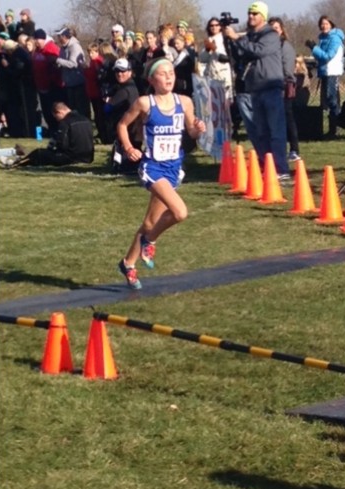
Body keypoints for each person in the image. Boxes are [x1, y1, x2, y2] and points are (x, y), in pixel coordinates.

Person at [116, 58, 206, 289]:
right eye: (163, 73)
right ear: (151, 79)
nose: (168, 77)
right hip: (153, 167)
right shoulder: (145, 103)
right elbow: (122, 125)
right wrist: (128, 148)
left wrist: (198, 129)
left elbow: (191, 132)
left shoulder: (184, 102)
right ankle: (150, 241)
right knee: (180, 212)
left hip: (174, 167)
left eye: (171, 73)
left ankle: (128, 263)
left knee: (150, 221)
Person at [223, 1, 290, 180]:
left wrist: (238, 38)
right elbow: (240, 56)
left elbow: (258, 51)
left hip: (271, 87)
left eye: (255, 14)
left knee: (276, 131)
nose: (251, 16)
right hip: (255, 88)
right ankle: (267, 166)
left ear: (263, 16)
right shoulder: (250, 36)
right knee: (261, 132)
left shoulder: (270, 35)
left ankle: (281, 169)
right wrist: (230, 40)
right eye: (249, 13)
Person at [3, 101, 93, 168]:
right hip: (87, 157)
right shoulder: (85, 119)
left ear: (60, 112)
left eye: (56, 117)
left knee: (39, 153)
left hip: (71, 158)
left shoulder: (65, 123)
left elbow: (62, 144)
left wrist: (53, 149)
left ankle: (16, 164)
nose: (57, 120)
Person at [307, 15, 345, 139]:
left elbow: (327, 56)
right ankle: (332, 129)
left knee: (332, 100)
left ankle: (335, 129)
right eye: (322, 24)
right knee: (327, 101)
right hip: (325, 72)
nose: (324, 26)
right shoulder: (323, 38)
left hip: (331, 72)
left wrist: (314, 48)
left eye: (326, 24)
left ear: (331, 25)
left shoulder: (334, 38)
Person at [268, 16, 300, 160]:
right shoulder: (267, 46)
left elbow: (288, 69)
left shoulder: (285, 46)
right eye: (271, 29)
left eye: (276, 28)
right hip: (269, 86)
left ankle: (294, 149)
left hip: (284, 86)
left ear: (281, 30)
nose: (274, 32)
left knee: (287, 118)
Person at [104, 57, 141, 173]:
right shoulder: (131, 86)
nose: (120, 74)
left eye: (123, 71)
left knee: (126, 162)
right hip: (133, 130)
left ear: (129, 72)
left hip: (128, 130)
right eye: (117, 71)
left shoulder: (125, 90)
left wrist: (107, 101)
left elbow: (107, 109)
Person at [33, 28, 64, 137]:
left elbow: (58, 63)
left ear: (43, 39)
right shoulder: (37, 51)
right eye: (35, 39)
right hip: (41, 86)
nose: (36, 41)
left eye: (39, 39)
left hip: (53, 85)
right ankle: (50, 130)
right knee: (45, 110)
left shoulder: (51, 48)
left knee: (54, 109)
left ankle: (58, 130)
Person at [55, 26, 91, 119]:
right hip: (69, 83)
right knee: (72, 108)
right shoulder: (63, 48)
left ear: (65, 36)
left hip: (78, 83)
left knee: (81, 109)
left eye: (60, 36)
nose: (58, 38)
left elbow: (73, 63)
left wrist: (58, 61)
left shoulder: (74, 46)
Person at [199, 17, 233, 101]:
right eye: (211, 25)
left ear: (220, 27)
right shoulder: (208, 40)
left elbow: (225, 58)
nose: (214, 27)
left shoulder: (225, 39)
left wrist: (215, 49)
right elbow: (202, 59)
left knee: (225, 103)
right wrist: (207, 50)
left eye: (216, 25)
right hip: (211, 76)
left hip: (223, 76)